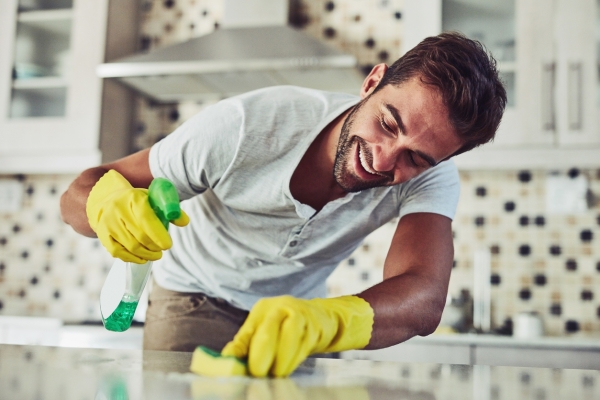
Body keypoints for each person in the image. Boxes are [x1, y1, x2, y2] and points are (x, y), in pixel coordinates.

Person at [61, 32, 506, 377]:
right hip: (192, 300)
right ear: (371, 84)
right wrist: (105, 204)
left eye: (416, 158)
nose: (384, 158)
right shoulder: (244, 125)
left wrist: (324, 323)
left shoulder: (434, 177)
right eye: (387, 123)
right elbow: (81, 192)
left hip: (296, 320)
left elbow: (423, 298)